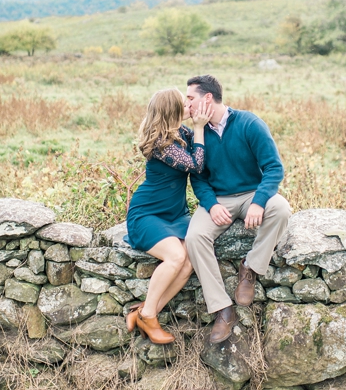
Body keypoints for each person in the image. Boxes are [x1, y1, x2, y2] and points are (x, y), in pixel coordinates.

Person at [183, 74, 292, 343]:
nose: (186, 105)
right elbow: (197, 177)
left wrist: (258, 201)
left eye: (190, 99)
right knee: (195, 238)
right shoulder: (197, 134)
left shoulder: (249, 123)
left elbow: (274, 168)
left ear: (207, 98)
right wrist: (210, 204)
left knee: (280, 209)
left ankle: (251, 269)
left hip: (252, 193)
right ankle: (223, 309)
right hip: (219, 199)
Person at [125, 88, 213, 344]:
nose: (188, 104)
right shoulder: (161, 143)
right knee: (176, 257)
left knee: (188, 262)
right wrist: (198, 129)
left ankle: (144, 312)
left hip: (174, 214)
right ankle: (150, 317)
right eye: (183, 102)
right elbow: (196, 164)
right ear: (172, 111)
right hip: (148, 213)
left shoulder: (181, 133)